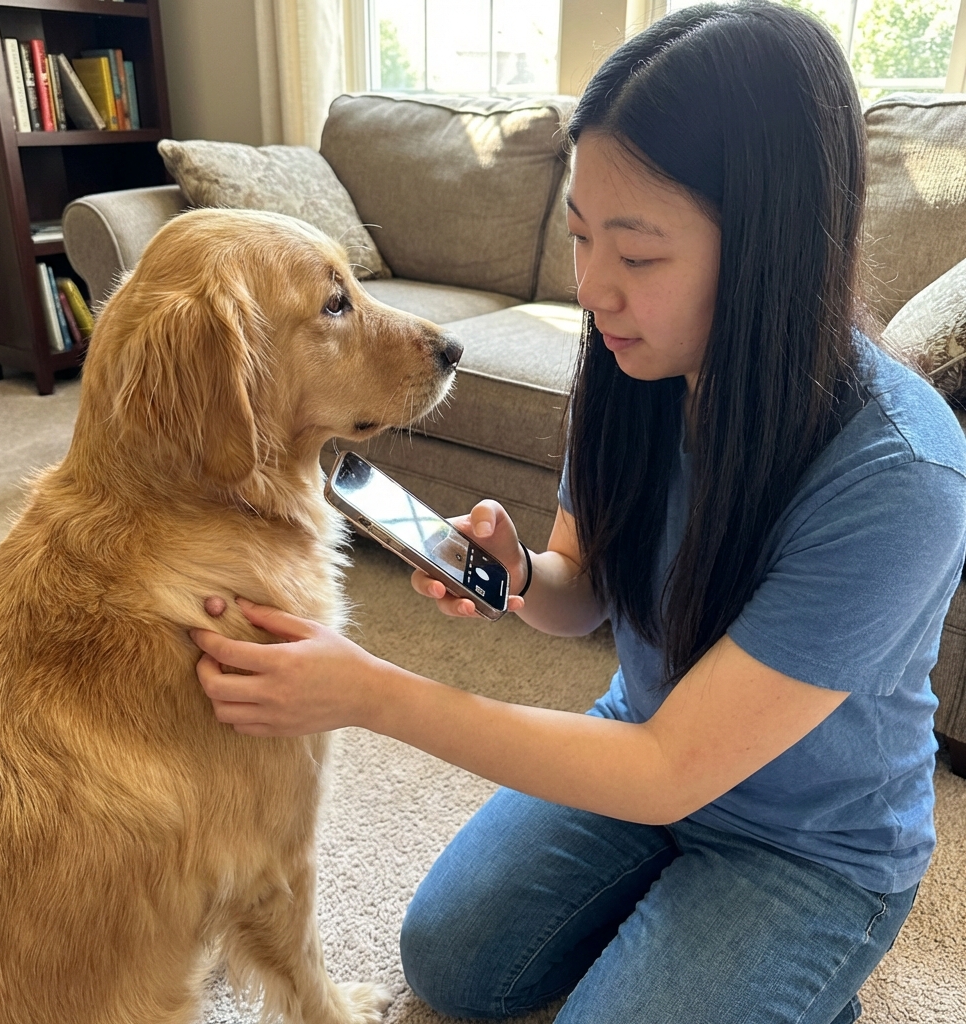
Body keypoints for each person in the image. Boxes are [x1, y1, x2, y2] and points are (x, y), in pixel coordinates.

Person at [191, 3, 966, 1021]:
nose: (593, 288)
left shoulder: (898, 473)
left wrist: (368, 691)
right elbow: (582, 589)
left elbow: (664, 772)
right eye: (579, 235)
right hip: (642, 743)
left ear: (773, 250)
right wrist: (517, 579)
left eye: (638, 255)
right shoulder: (633, 362)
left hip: (809, 839)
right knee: (447, 956)